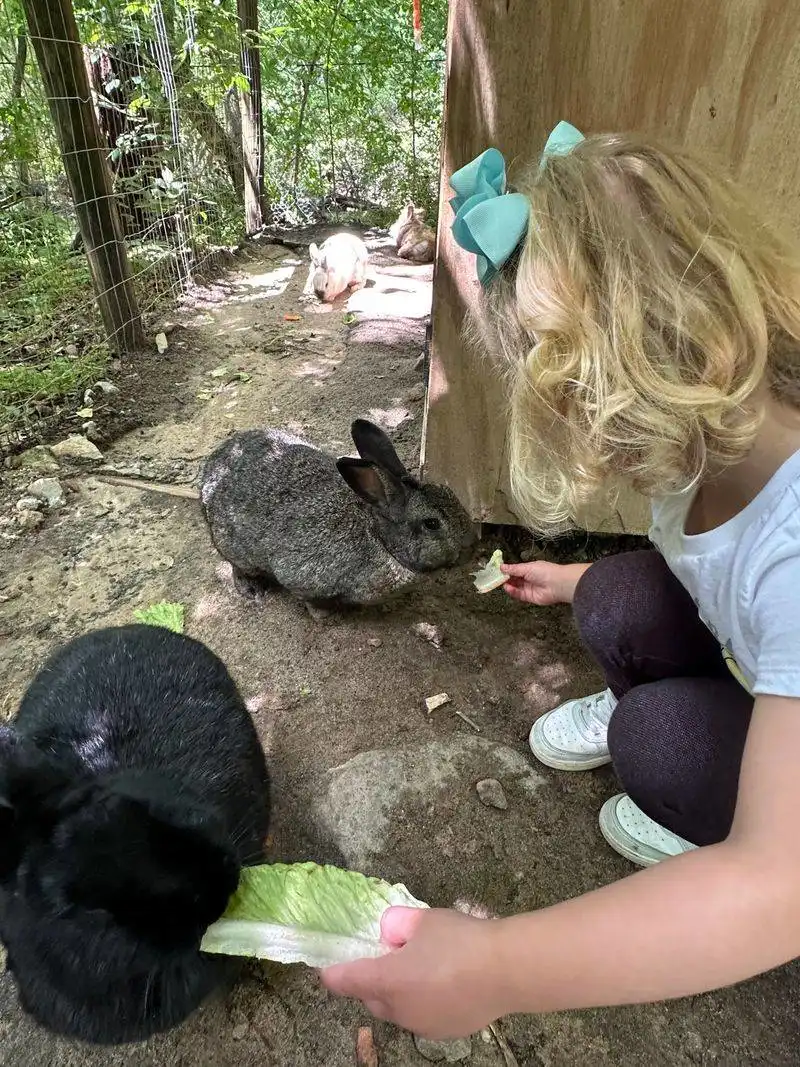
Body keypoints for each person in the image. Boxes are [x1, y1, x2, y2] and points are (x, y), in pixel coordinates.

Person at [321, 123, 800, 1039]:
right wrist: (576, 578)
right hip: (762, 668)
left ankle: (700, 824)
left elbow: (780, 887)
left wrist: (498, 965)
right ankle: (673, 732)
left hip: (789, 844)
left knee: (652, 739)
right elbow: (708, 568)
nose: (587, 443)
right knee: (618, 592)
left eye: (576, 402)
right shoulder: (711, 441)